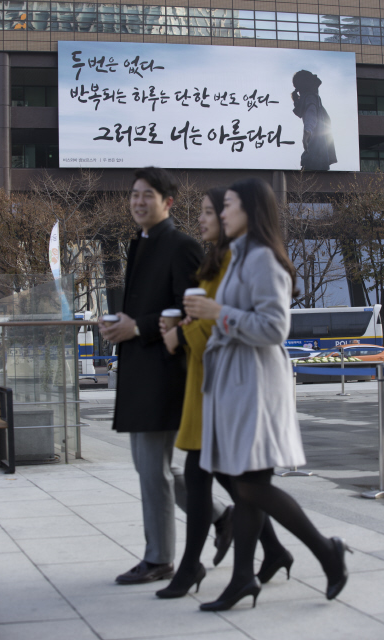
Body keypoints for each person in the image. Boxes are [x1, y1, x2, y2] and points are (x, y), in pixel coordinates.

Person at [184, 178, 351, 611]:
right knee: (247, 486)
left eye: (231, 205)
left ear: (252, 209)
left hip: (255, 382)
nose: (222, 212)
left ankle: (324, 550)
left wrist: (218, 312)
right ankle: (244, 577)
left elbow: (276, 327)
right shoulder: (240, 256)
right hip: (238, 382)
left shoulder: (261, 259)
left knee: (249, 486)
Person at [156, 187, 294, 600]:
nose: (202, 219)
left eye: (211, 210)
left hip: (228, 382)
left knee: (227, 481)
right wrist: (184, 328)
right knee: (235, 483)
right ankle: (272, 556)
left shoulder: (248, 259)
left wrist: (185, 335)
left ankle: (200, 567)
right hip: (211, 380)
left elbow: (259, 324)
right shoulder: (223, 260)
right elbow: (214, 316)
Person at [99, 167, 231, 585]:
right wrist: (123, 324)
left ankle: (159, 559)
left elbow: (186, 307)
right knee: (154, 469)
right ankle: (225, 518)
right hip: (142, 372)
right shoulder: (139, 244)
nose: (138, 201)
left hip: (164, 373)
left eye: (148, 195)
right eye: (134, 195)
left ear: (168, 202)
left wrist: (136, 327)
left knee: (153, 469)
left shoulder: (181, 246)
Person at [291, 69, 337, 171]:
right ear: (309, 83)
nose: (316, 78)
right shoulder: (311, 98)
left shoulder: (310, 98)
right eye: (312, 77)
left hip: (317, 153)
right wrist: (307, 131)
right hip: (317, 155)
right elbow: (311, 115)